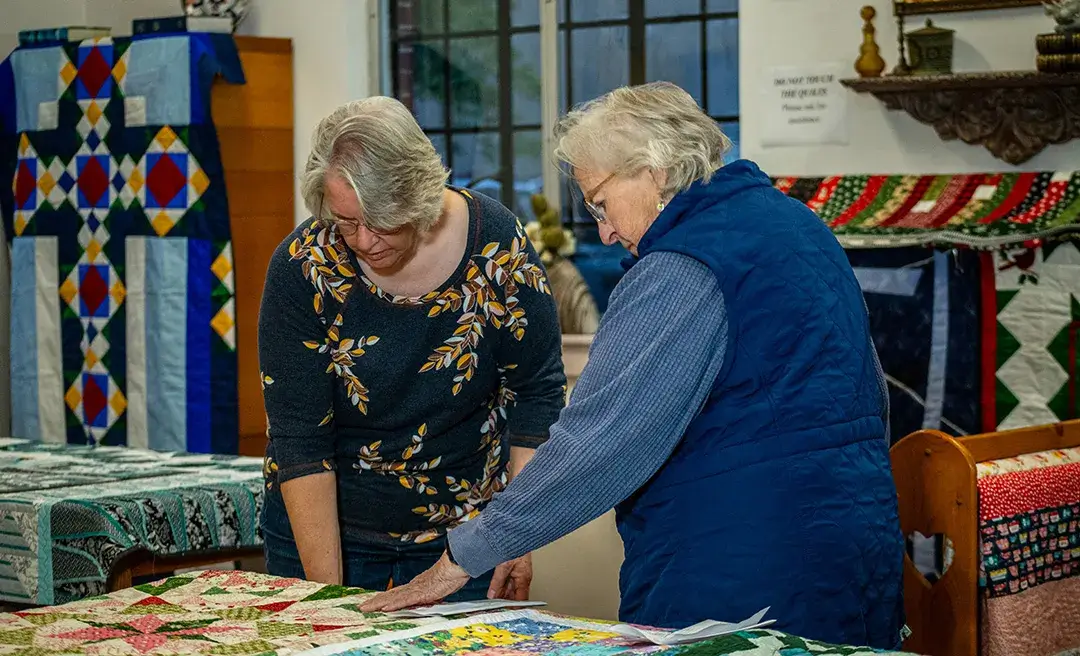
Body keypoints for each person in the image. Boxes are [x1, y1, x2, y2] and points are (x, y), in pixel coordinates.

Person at [361, 82, 906, 650]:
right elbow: (869, 394)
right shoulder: (800, 227)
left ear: (655, 171)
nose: (604, 230)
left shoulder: (681, 267)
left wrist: (460, 558)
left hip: (742, 571)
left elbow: (597, 445)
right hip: (855, 546)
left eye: (599, 201)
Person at [257, 97, 566, 601]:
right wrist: (328, 607)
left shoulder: (497, 247)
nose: (363, 241)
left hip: (464, 541)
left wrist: (516, 532)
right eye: (345, 222)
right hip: (325, 530)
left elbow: (536, 395)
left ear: (420, 194)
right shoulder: (303, 266)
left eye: (381, 220)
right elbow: (299, 441)